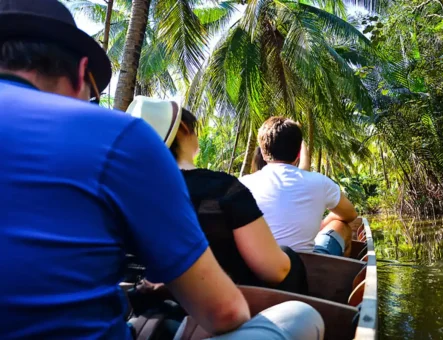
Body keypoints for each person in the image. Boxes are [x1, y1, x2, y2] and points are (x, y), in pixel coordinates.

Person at [0, 2, 323, 339]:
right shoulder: (120, 140)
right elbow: (225, 311)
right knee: (302, 315)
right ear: (82, 72)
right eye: (93, 94)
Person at [126, 97, 308, 294]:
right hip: (211, 312)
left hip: (138, 308)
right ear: (184, 129)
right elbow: (275, 271)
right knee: (288, 260)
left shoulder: (123, 193)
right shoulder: (222, 188)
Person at [240, 117, 358, 257]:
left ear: (263, 153)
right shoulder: (320, 182)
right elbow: (351, 215)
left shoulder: (242, 184)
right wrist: (324, 224)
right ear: (297, 154)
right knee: (342, 226)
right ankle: (335, 277)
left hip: (257, 267)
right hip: (308, 268)